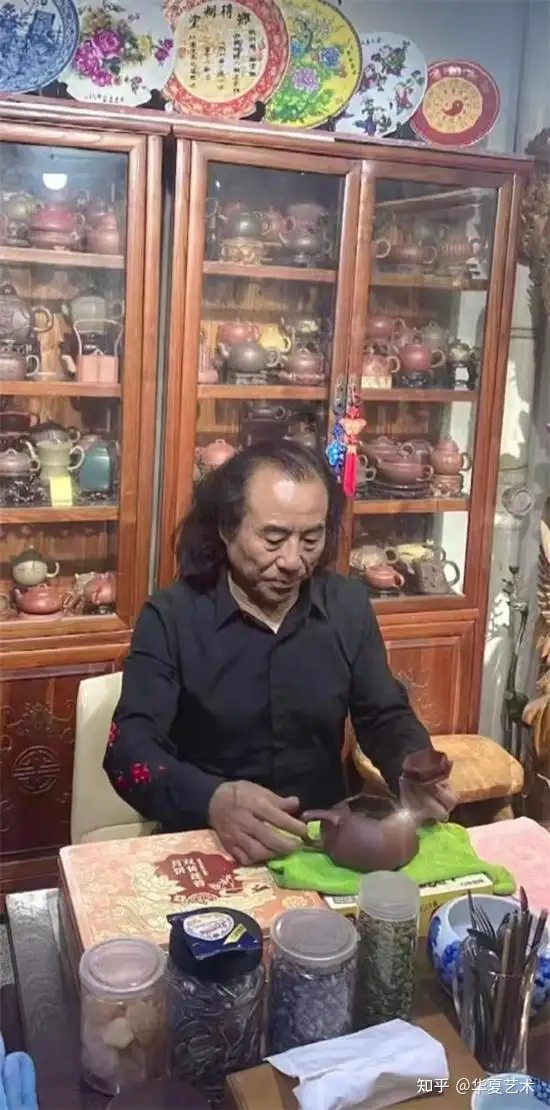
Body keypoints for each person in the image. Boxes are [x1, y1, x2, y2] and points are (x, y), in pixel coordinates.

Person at [105, 441, 454, 865]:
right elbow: (129, 751)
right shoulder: (171, 617)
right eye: (273, 539)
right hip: (211, 840)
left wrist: (412, 766)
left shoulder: (346, 606)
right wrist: (211, 799)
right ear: (226, 528)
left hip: (324, 844)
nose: (293, 561)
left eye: (311, 539)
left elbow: (383, 715)